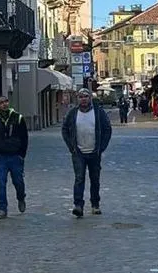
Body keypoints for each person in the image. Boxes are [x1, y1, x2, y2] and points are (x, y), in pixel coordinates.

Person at [61, 88, 112, 218]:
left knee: (95, 179)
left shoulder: (98, 112)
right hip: (78, 152)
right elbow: (65, 129)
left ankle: (95, 204)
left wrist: (101, 147)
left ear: (90, 98)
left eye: (85, 96)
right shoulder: (73, 113)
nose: (83, 99)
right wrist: (71, 147)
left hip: (94, 152)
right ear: (77, 99)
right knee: (79, 178)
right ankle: (78, 205)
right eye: (80, 97)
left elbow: (107, 129)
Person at [0, 95, 28, 220]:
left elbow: (24, 137)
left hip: (15, 156)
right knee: (0, 183)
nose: (4, 104)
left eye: (6, 101)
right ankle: (2, 208)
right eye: (1, 102)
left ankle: (21, 197)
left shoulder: (18, 118)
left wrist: (22, 155)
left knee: (18, 182)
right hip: (0, 157)